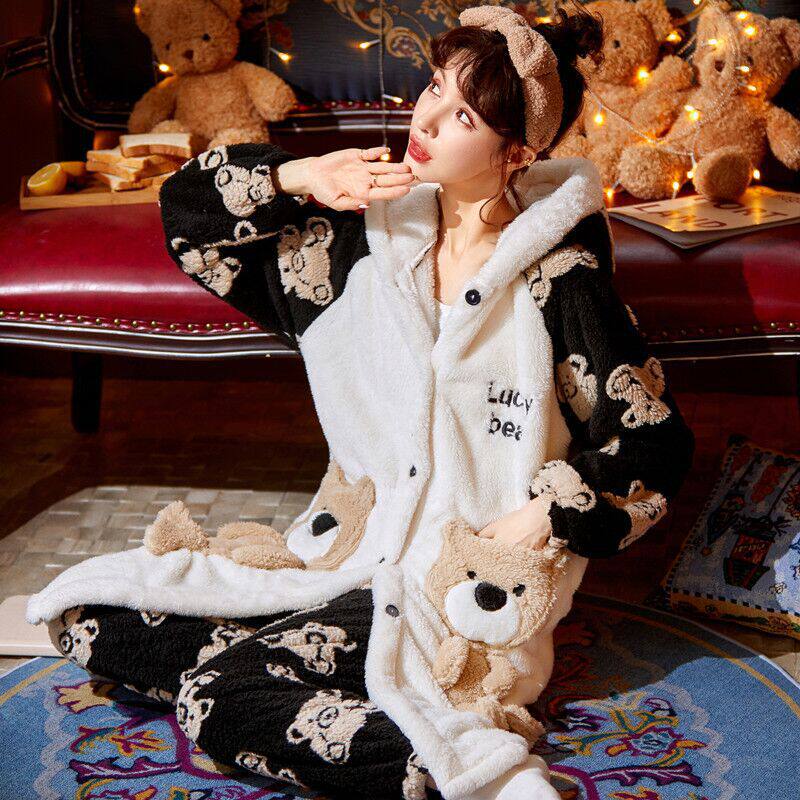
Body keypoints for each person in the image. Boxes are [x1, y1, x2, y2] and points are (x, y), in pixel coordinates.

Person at [28, 5, 695, 800]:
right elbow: (189, 217)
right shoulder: (355, 244)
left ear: (516, 152)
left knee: (214, 699)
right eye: (435, 88)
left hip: (450, 588)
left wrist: (544, 515)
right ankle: (303, 680)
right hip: (341, 556)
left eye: (464, 116)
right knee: (92, 621)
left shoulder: (560, 281)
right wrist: (302, 176)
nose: (427, 120)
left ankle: (467, 767)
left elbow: (653, 443)